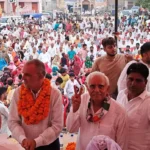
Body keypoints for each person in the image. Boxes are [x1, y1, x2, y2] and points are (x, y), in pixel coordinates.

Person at [8, 59, 63, 150]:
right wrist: (23, 139)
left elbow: (57, 126)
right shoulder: (18, 93)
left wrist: (36, 142)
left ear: (41, 76)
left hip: (49, 145)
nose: (23, 78)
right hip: (24, 145)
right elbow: (13, 121)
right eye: (23, 74)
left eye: (28, 75)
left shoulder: (55, 94)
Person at [66, 71, 128, 150]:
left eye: (101, 86)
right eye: (92, 86)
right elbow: (71, 129)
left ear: (107, 88)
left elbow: (122, 145)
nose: (96, 90)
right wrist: (75, 108)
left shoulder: (119, 112)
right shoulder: (81, 101)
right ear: (87, 88)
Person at [117, 62, 150, 150]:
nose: (133, 83)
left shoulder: (148, 102)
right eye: (130, 79)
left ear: (145, 82)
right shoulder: (121, 95)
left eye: (138, 80)